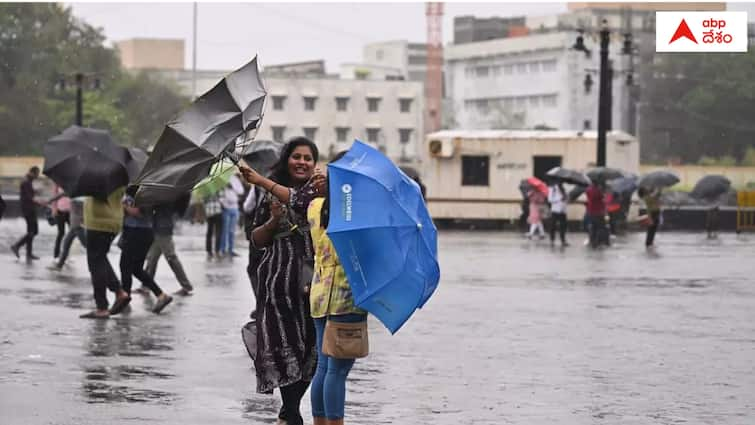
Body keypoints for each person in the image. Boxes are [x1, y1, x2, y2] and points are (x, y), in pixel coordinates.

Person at [240, 137, 322, 425]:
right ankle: (291, 412)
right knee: (283, 345)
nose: (302, 162)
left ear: (314, 163)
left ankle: (289, 410)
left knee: (312, 348)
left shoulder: (320, 193)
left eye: (307, 158)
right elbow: (257, 240)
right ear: (287, 159)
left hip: (316, 283)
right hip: (278, 281)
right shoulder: (270, 195)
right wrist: (273, 221)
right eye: (296, 156)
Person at [307, 152, 368, 425]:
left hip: (320, 295)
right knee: (338, 370)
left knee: (324, 366)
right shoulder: (358, 214)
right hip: (346, 297)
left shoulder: (315, 207)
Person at [79, 187, 131, 319]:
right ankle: (119, 292)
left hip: (97, 222)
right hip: (113, 222)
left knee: (95, 264)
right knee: (100, 259)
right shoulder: (120, 176)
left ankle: (102, 307)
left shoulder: (97, 176)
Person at [119, 188, 173, 313]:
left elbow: (137, 212)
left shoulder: (143, 193)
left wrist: (122, 205)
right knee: (136, 269)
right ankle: (161, 295)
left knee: (125, 266)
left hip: (136, 232)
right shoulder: (142, 191)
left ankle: (124, 298)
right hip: (141, 232)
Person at [142, 195, 194, 296]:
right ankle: (146, 285)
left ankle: (186, 286)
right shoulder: (170, 187)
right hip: (159, 224)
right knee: (152, 258)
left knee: (171, 257)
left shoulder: (170, 189)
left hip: (163, 225)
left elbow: (180, 203)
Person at [11, 166, 44, 261]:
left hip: (30, 209)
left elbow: (28, 194)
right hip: (28, 210)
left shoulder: (28, 181)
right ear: (32, 173)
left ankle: (28, 253)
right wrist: (39, 203)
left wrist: (36, 192)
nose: (37, 176)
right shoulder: (26, 182)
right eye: (37, 174)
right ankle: (16, 246)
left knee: (32, 231)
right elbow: (28, 198)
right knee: (32, 231)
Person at [48, 197, 87, 271]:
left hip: (78, 226)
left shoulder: (80, 199)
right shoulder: (75, 197)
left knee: (87, 245)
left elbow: (63, 195)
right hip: (74, 226)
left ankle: (99, 259)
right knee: (66, 244)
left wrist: (51, 200)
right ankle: (59, 266)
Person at [219, 173, 244, 258]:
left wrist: (232, 187)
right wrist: (224, 204)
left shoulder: (235, 179)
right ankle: (222, 250)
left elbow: (241, 191)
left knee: (232, 231)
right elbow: (220, 195)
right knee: (224, 230)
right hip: (226, 208)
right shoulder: (221, 180)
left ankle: (231, 250)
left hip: (235, 208)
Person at [51, 184, 71, 259]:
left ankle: (66, 254)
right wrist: (54, 209)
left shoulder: (71, 181)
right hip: (60, 211)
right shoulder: (57, 181)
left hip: (71, 211)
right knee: (61, 233)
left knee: (71, 234)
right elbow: (54, 195)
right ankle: (56, 254)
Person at [585, 180, 607, 248]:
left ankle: (592, 242)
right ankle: (598, 242)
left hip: (590, 211)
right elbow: (602, 198)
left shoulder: (588, 190)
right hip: (598, 212)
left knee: (592, 228)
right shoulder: (598, 191)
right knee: (600, 228)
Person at [547, 181, 569, 246]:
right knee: (553, 225)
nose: (561, 183)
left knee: (563, 226)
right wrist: (559, 198)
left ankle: (563, 240)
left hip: (563, 210)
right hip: (555, 210)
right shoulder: (552, 188)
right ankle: (552, 240)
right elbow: (549, 199)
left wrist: (566, 199)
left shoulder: (564, 189)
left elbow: (567, 199)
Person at [203, 193, 223, 259]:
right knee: (218, 232)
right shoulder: (218, 188)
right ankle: (217, 251)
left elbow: (204, 200)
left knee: (209, 232)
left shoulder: (205, 189)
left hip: (209, 212)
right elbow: (222, 199)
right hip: (217, 211)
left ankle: (209, 252)